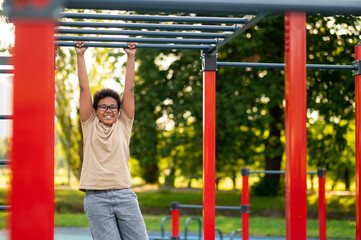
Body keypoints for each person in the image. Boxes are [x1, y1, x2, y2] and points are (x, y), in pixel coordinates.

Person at [74, 41, 148, 240]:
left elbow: (130, 90)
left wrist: (130, 57)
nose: (108, 110)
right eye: (103, 107)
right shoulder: (89, 125)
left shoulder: (124, 124)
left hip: (124, 195)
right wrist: (80, 55)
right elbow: (83, 90)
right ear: (96, 110)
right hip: (96, 198)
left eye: (113, 107)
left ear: (119, 111)